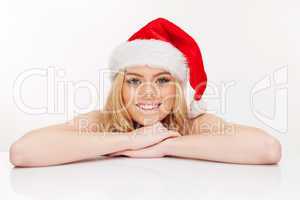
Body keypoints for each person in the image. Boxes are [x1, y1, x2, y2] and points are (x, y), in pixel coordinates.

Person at [9, 18, 281, 167]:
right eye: (135, 81)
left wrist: (164, 145)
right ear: (120, 89)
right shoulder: (102, 123)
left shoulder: (193, 123)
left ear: (177, 89)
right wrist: (130, 140)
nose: (148, 93)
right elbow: (23, 153)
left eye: (162, 81)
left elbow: (267, 149)